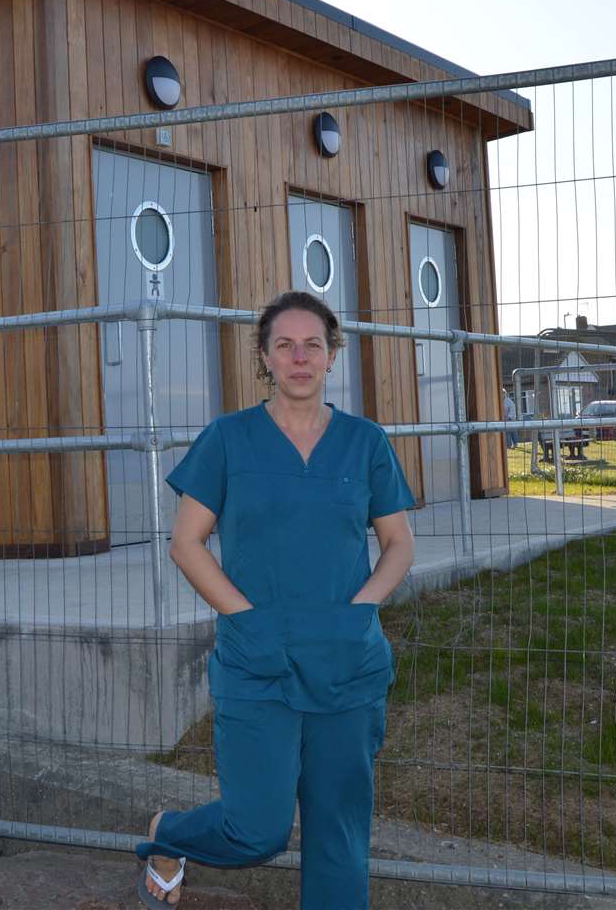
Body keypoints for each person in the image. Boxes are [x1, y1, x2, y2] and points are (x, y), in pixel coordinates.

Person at [135, 290, 416, 909]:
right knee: (255, 830)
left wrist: (362, 609)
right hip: (257, 662)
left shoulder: (365, 442)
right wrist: (247, 621)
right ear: (264, 357)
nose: (299, 357)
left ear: (331, 356)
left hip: (346, 664)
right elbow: (187, 543)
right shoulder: (229, 439)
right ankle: (168, 832)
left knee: (339, 835)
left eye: (312, 344)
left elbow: (397, 543)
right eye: (284, 345)